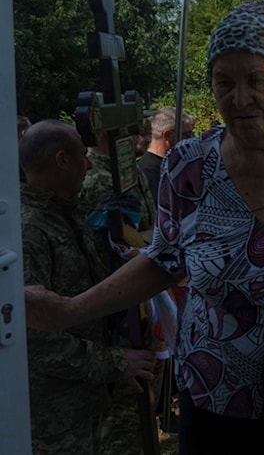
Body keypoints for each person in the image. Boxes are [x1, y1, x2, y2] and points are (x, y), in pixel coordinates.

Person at [24, 1, 264, 454]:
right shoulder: (188, 165)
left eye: (256, 80)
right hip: (217, 395)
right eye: (223, 82)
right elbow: (165, 261)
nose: (239, 98)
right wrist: (73, 310)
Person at [20, 120, 156, 455]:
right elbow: (34, 337)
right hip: (53, 420)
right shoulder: (28, 232)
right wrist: (113, 362)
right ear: (62, 160)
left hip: (87, 404)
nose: (90, 162)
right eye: (83, 154)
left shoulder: (70, 214)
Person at [138, 107, 195, 207]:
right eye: (187, 134)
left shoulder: (172, 162)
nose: (191, 139)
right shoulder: (148, 171)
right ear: (167, 135)